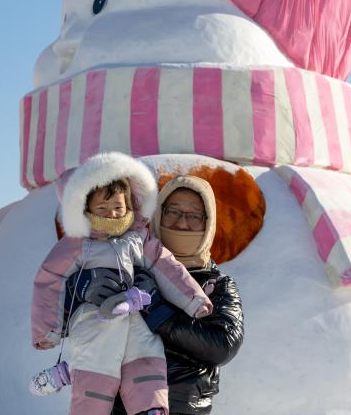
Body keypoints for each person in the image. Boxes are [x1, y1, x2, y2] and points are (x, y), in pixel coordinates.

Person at [31, 153, 213, 415]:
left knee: (147, 358)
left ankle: (152, 409)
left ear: (130, 204)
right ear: (86, 210)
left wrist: (193, 299)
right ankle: (79, 396)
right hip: (96, 319)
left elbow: (166, 266)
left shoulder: (138, 238)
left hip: (135, 314)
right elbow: (49, 279)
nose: (112, 215)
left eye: (118, 207)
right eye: (102, 209)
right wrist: (47, 329)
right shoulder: (78, 244)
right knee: (95, 368)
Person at [70, 175, 244, 415]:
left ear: (208, 223)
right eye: (173, 211)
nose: (182, 223)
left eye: (193, 215)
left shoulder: (217, 285)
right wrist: (80, 286)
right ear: (159, 214)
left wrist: (158, 311)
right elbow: (64, 314)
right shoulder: (125, 264)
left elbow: (222, 346)